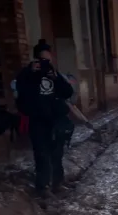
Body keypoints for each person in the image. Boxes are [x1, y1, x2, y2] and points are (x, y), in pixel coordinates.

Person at [16, 40, 77, 197]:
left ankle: (57, 183)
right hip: (37, 120)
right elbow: (21, 91)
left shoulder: (55, 74)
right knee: (42, 154)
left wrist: (56, 78)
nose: (45, 64)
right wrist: (31, 73)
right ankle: (43, 187)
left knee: (57, 153)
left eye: (48, 60)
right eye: (42, 60)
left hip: (55, 120)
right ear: (36, 59)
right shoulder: (27, 74)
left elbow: (68, 92)